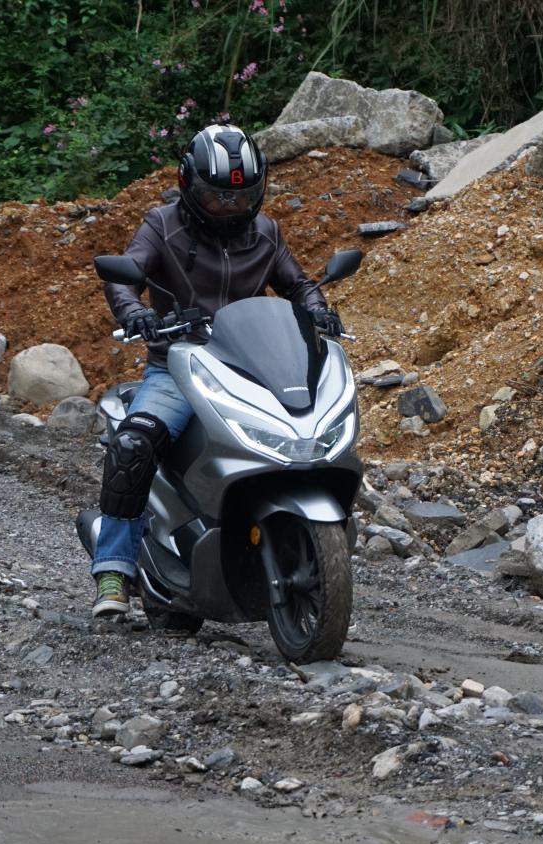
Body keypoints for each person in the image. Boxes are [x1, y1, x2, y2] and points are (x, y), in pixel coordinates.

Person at [90, 123, 344, 617]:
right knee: (135, 444)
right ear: (188, 185)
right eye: (214, 196)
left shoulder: (267, 231)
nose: (229, 206)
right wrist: (136, 314)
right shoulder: (162, 225)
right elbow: (125, 277)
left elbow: (300, 284)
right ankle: (114, 572)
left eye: (241, 196)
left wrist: (318, 307)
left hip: (252, 366)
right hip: (178, 366)